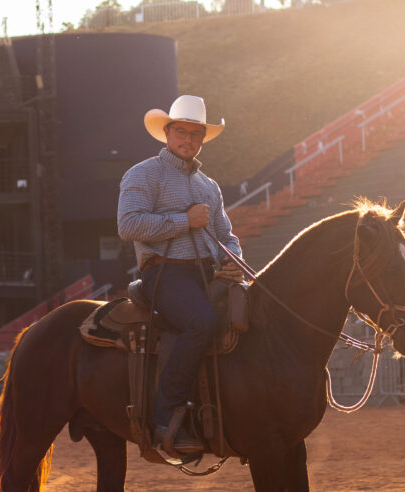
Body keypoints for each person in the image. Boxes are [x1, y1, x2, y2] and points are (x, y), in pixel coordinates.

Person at [117, 95, 244, 456]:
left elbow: (226, 237)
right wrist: (184, 221)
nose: (188, 140)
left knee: (250, 311)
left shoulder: (209, 186)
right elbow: (128, 225)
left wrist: (234, 258)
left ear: (202, 139)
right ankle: (163, 415)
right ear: (167, 132)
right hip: (164, 273)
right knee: (201, 322)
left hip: (207, 272)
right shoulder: (144, 173)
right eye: (182, 132)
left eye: (196, 135)